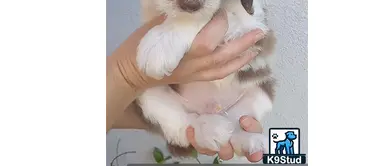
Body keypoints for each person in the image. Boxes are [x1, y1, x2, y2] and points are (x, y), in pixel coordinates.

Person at [107, 10, 266, 162]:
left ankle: (236, 131)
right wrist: (127, 74)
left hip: (233, 94)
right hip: (177, 99)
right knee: (150, 95)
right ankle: (199, 127)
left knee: (259, 89)